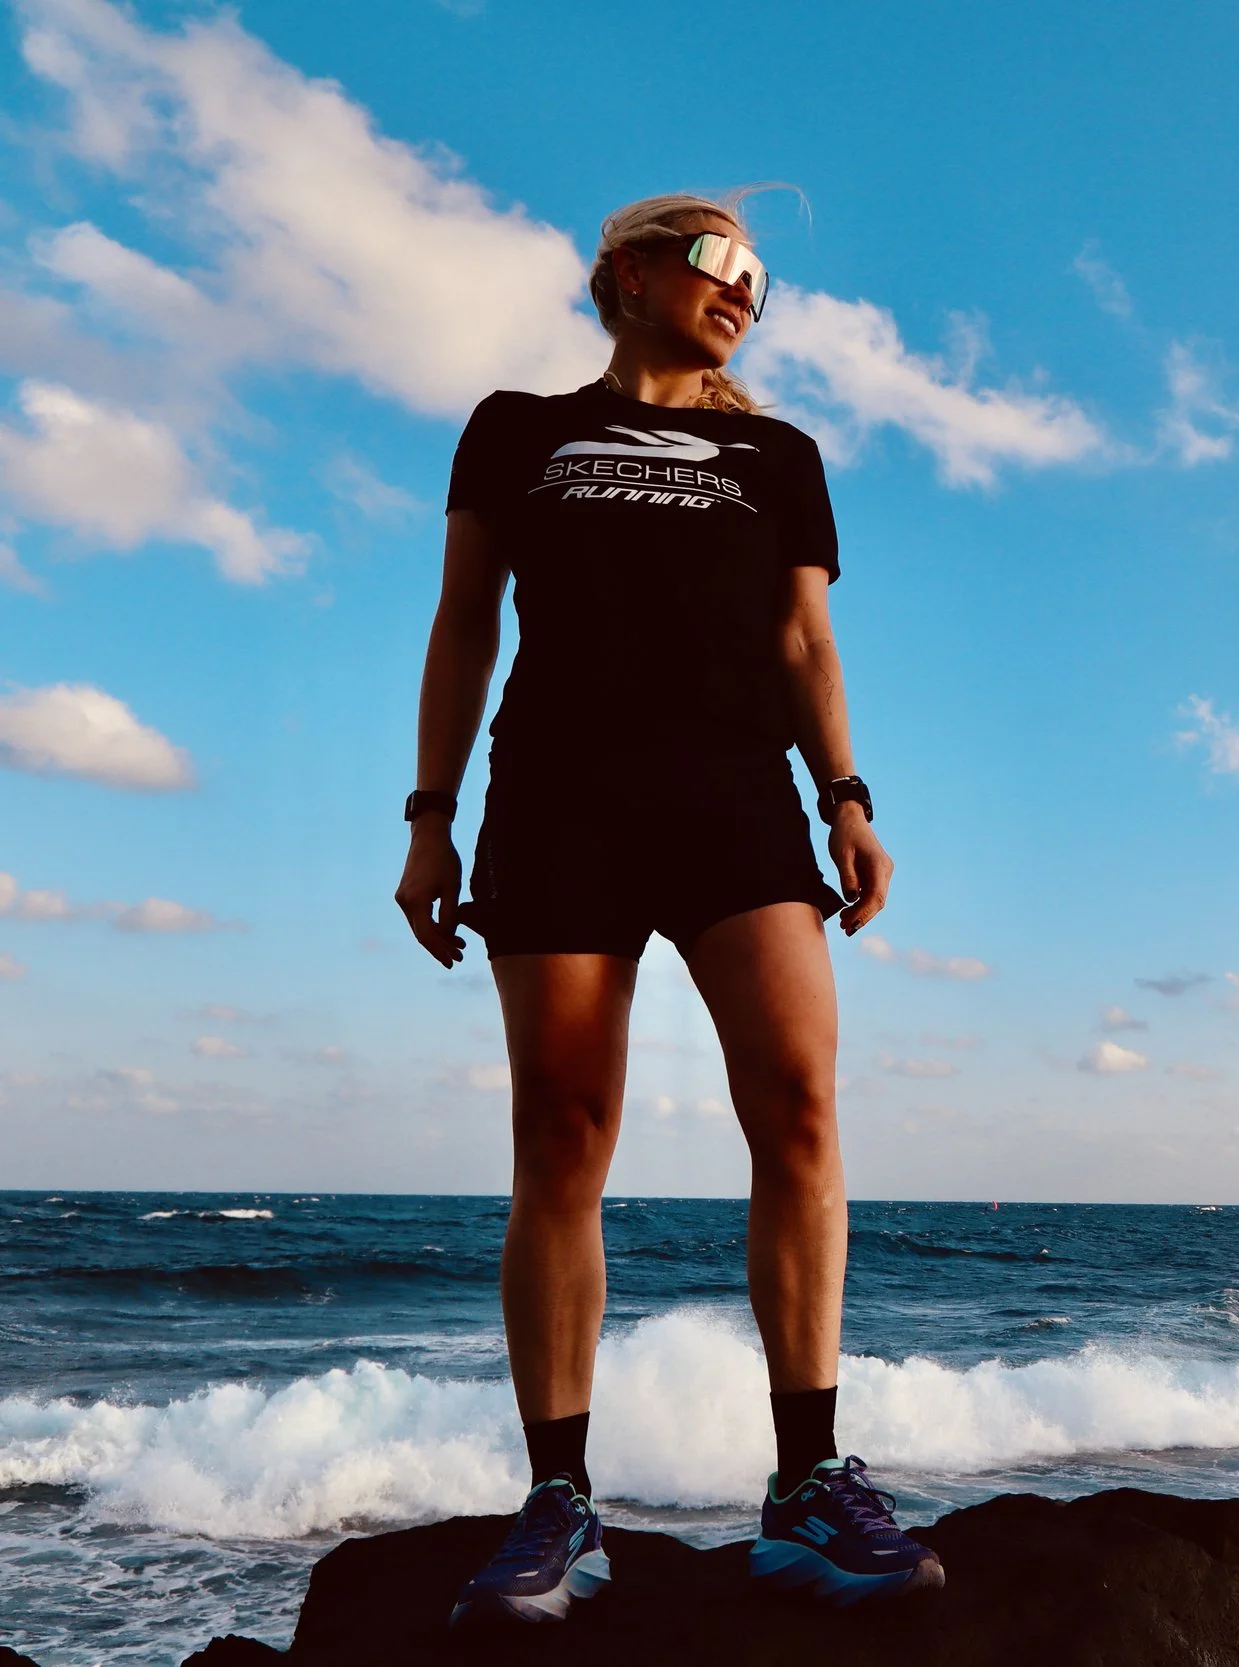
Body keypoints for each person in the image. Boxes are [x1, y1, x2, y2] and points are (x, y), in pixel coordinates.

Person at [393, 190, 941, 1625]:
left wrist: (848, 794)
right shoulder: (516, 426)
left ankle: (809, 1479)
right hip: (558, 798)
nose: (745, 291)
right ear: (627, 272)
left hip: (736, 800)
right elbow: (465, 623)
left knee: (802, 1108)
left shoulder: (778, 452)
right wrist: (430, 816)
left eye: (762, 277)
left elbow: (803, 636)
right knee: (562, 1135)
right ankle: (560, 1499)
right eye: (717, 262)